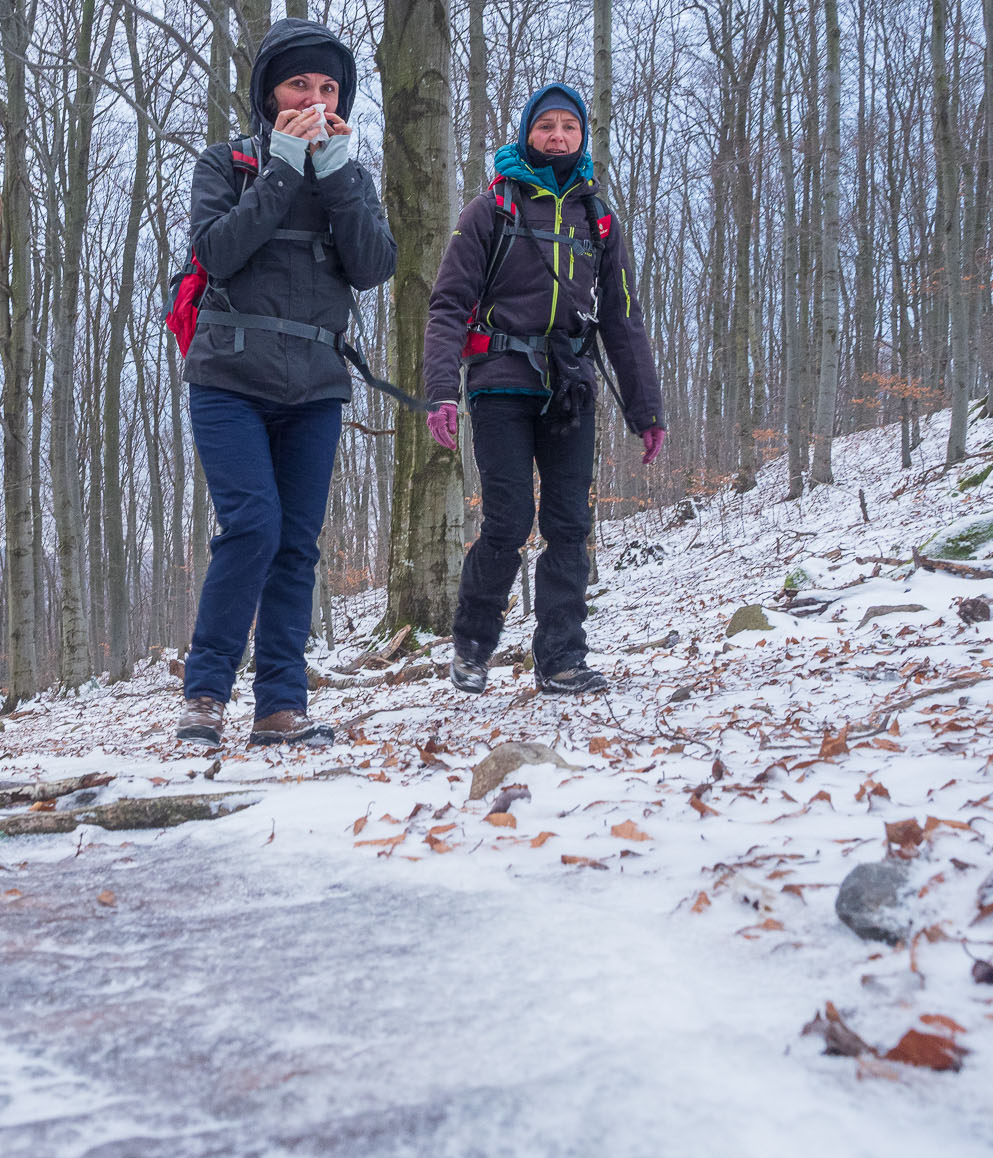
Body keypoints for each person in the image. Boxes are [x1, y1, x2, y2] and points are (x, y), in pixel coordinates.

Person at [174, 19, 397, 747]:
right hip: (228, 377)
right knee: (253, 526)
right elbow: (218, 250)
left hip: (316, 387)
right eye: (300, 83)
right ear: (270, 94)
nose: (316, 97)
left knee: (297, 544)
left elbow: (372, 265)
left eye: (330, 87)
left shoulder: (349, 176)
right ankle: (205, 694)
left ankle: (280, 706)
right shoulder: (226, 163)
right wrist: (279, 165)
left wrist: (332, 174)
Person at [421, 83, 666, 697]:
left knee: (569, 523)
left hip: (571, 388)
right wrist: (442, 391)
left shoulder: (598, 219)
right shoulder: (490, 210)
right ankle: (473, 645)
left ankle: (561, 659)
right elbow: (448, 306)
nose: (558, 136)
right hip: (501, 385)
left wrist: (647, 411)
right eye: (546, 126)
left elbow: (623, 318)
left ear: (582, 137)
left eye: (570, 127)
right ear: (527, 132)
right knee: (507, 520)